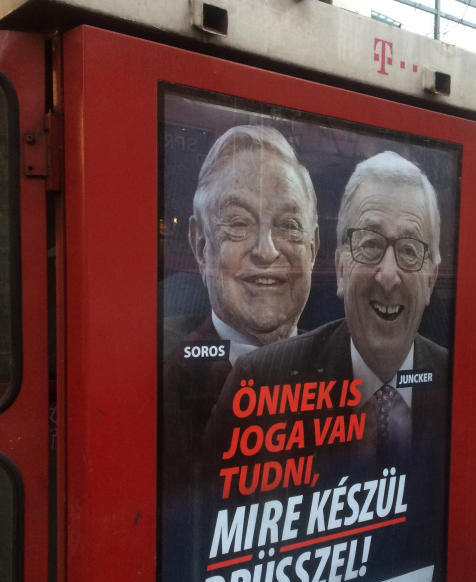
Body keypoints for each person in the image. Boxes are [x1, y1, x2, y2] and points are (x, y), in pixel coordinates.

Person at [212, 150, 447, 467]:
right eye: (371, 244)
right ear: (339, 268)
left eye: (409, 250)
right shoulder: (261, 379)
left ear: (430, 280)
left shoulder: (452, 379)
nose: (389, 276)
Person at [162, 125, 320, 453]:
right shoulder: (160, 382)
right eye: (239, 224)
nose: (266, 250)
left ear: (314, 248)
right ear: (200, 244)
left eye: (288, 225)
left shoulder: (348, 371)